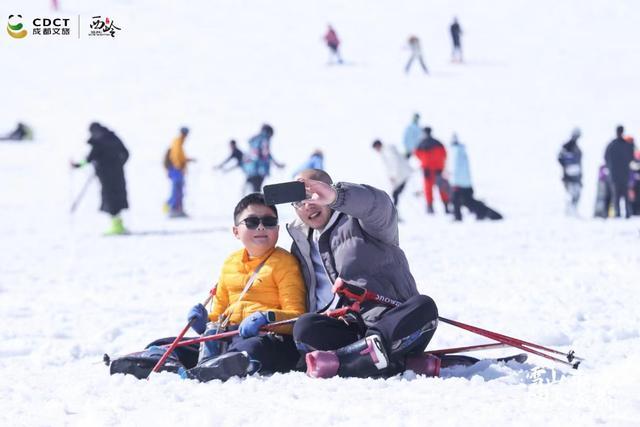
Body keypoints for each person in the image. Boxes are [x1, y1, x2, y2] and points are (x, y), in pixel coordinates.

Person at [287, 169, 438, 379]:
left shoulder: (363, 221)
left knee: (424, 307)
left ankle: (350, 362)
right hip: (351, 326)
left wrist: (336, 196)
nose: (307, 205)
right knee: (305, 327)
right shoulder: (302, 244)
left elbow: (379, 204)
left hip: (392, 321)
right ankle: (387, 361)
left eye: (313, 196)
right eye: (299, 202)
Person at [183, 193, 306, 382]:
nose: (261, 226)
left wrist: (267, 318)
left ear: (278, 229)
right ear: (236, 231)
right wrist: (203, 322)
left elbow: (296, 317)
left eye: (269, 221)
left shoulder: (285, 263)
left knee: (255, 348)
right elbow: (218, 316)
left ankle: (230, 363)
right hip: (230, 334)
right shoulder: (230, 262)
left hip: (268, 336)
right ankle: (159, 357)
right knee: (181, 345)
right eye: (251, 222)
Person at [71, 122, 129, 235]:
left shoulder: (98, 142)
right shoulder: (113, 138)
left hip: (105, 175)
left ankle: (116, 226)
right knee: (118, 196)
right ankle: (119, 224)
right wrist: (119, 165)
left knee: (109, 197)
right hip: (118, 174)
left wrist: (77, 165)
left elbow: (89, 158)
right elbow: (126, 153)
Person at [449, 134, 502, 221]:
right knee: (468, 201)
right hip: (466, 182)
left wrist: (452, 178)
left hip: (458, 182)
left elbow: (455, 168)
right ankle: (483, 213)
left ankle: (458, 217)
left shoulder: (455, 152)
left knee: (457, 200)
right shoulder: (462, 151)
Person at [414, 127, 450, 214]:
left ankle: (430, 207)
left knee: (428, 189)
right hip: (438, 169)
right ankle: (446, 207)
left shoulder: (420, 144)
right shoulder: (438, 143)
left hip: (427, 170)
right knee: (442, 188)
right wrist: (440, 165)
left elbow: (417, 154)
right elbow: (444, 154)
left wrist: (424, 163)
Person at [243, 124, 284, 193]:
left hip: (250, 169)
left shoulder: (255, 139)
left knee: (253, 190)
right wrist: (277, 164)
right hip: (260, 169)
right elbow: (266, 154)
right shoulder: (265, 139)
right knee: (256, 191)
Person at [604, 125, 635, 218]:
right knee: (625, 195)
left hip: (614, 175)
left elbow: (606, 158)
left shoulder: (611, 145)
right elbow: (632, 157)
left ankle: (617, 214)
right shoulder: (627, 145)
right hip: (625, 174)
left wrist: (611, 167)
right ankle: (627, 213)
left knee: (616, 195)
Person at [165, 127, 196, 218]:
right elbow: (176, 157)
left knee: (179, 190)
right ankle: (173, 209)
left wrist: (188, 160)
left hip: (177, 169)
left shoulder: (179, 142)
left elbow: (180, 157)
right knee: (177, 189)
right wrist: (180, 167)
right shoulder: (178, 142)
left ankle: (177, 208)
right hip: (176, 170)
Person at [372, 140, 412, 208]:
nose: (376, 150)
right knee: (395, 195)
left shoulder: (387, 151)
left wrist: (393, 175)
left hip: (401, 175)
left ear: (378, 145)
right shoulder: (385, 151)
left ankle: (394, 212)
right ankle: (395, 211)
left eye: (376, 148)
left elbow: (395, 162)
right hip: (400, 176)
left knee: (395, 194)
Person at [558, 128, 583, 216]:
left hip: (577, 175)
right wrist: (567, 166)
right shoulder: (566, 146)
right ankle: (569, 211)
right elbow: (560, 158)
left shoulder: (576, 148)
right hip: (569, 176)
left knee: (577, 193)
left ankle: (573, 210)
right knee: (571, 193)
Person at [628, 145, 640, 216]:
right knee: (632, 198)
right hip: (632, 183)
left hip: (637, 183)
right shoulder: (630, 159)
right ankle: (632, 211)